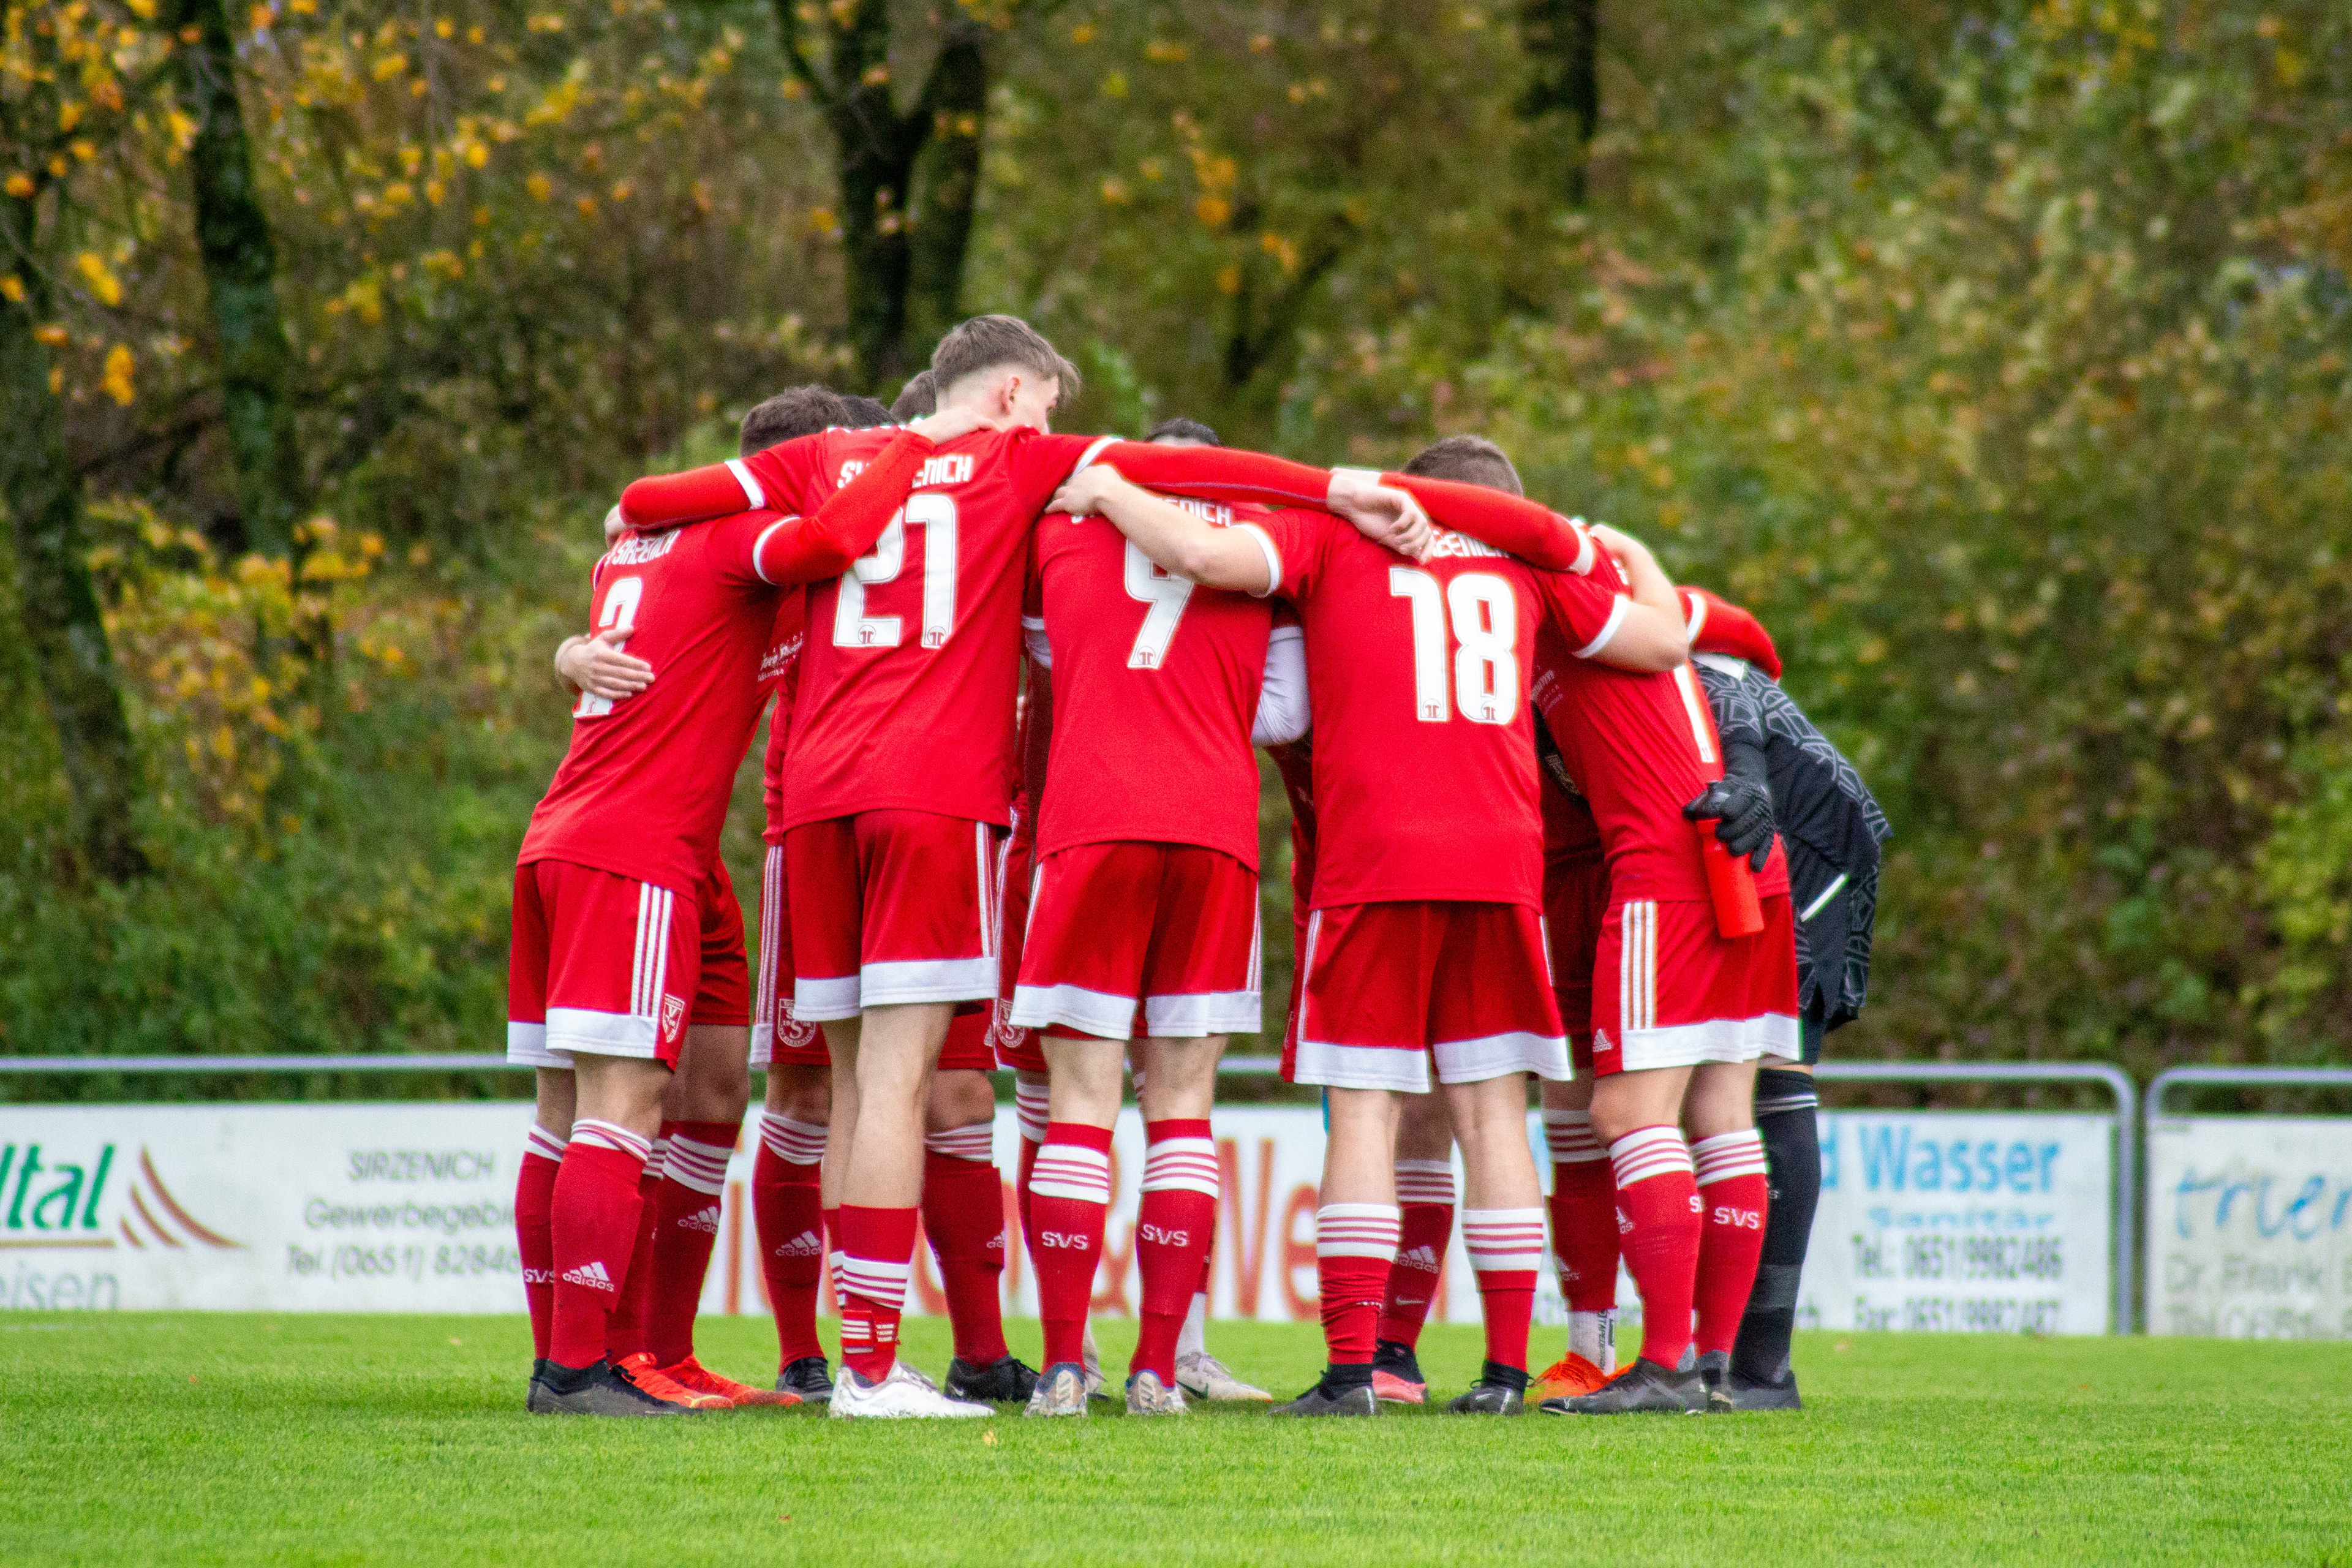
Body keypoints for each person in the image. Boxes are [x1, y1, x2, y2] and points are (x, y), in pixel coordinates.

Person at [1049, 433, 1689, 1416]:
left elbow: (1208, 557)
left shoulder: (1332, 537)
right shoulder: (1527, 567)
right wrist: (1631, 552)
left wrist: (1107, 487)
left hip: (1376, 858)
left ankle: (1354, 1370)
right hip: (1500, 859)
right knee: (1491, 1115)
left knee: (1366, 1112)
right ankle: (1507, 1374)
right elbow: (1660, 643)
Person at [507, 398, 968, 1417]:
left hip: (640, 846)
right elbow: (838, 535)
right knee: (612, 1105)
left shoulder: (643, 545)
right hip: (626, 848)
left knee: (709, 1095)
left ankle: (656, 1353)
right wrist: (914, 444)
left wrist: (564, 654)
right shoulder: (738, 543)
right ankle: (576, 1365)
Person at [1008, 429, 1309, 1417]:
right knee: (1182, 1105)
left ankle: (1062, 1364)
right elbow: (1288, 717)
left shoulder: (1061, 532)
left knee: (1079, 1104)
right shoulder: (1270, 545)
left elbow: (1034, 649)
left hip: (1090, 820)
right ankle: (1156, 1368)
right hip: (1214, 828)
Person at [1523, 546, 1796, 1416]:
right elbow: (1744, 634)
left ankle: (1668, 1365)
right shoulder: (1650, 607)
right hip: (1749, 863)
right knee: (1722, 1114)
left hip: (1666, 870)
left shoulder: (1558, 603)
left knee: (1622, 1114)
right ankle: (1713, 1366)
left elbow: (1733, 643)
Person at [1682, 587, 1888, 1411]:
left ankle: (1760, 1365)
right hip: (1779, 816)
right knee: (1736, 1076)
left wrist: (1750, 776)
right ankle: (1731, 1357)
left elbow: (1729, 673)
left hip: (1806, 834)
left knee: (1771, 1071)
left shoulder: (1611, 591)